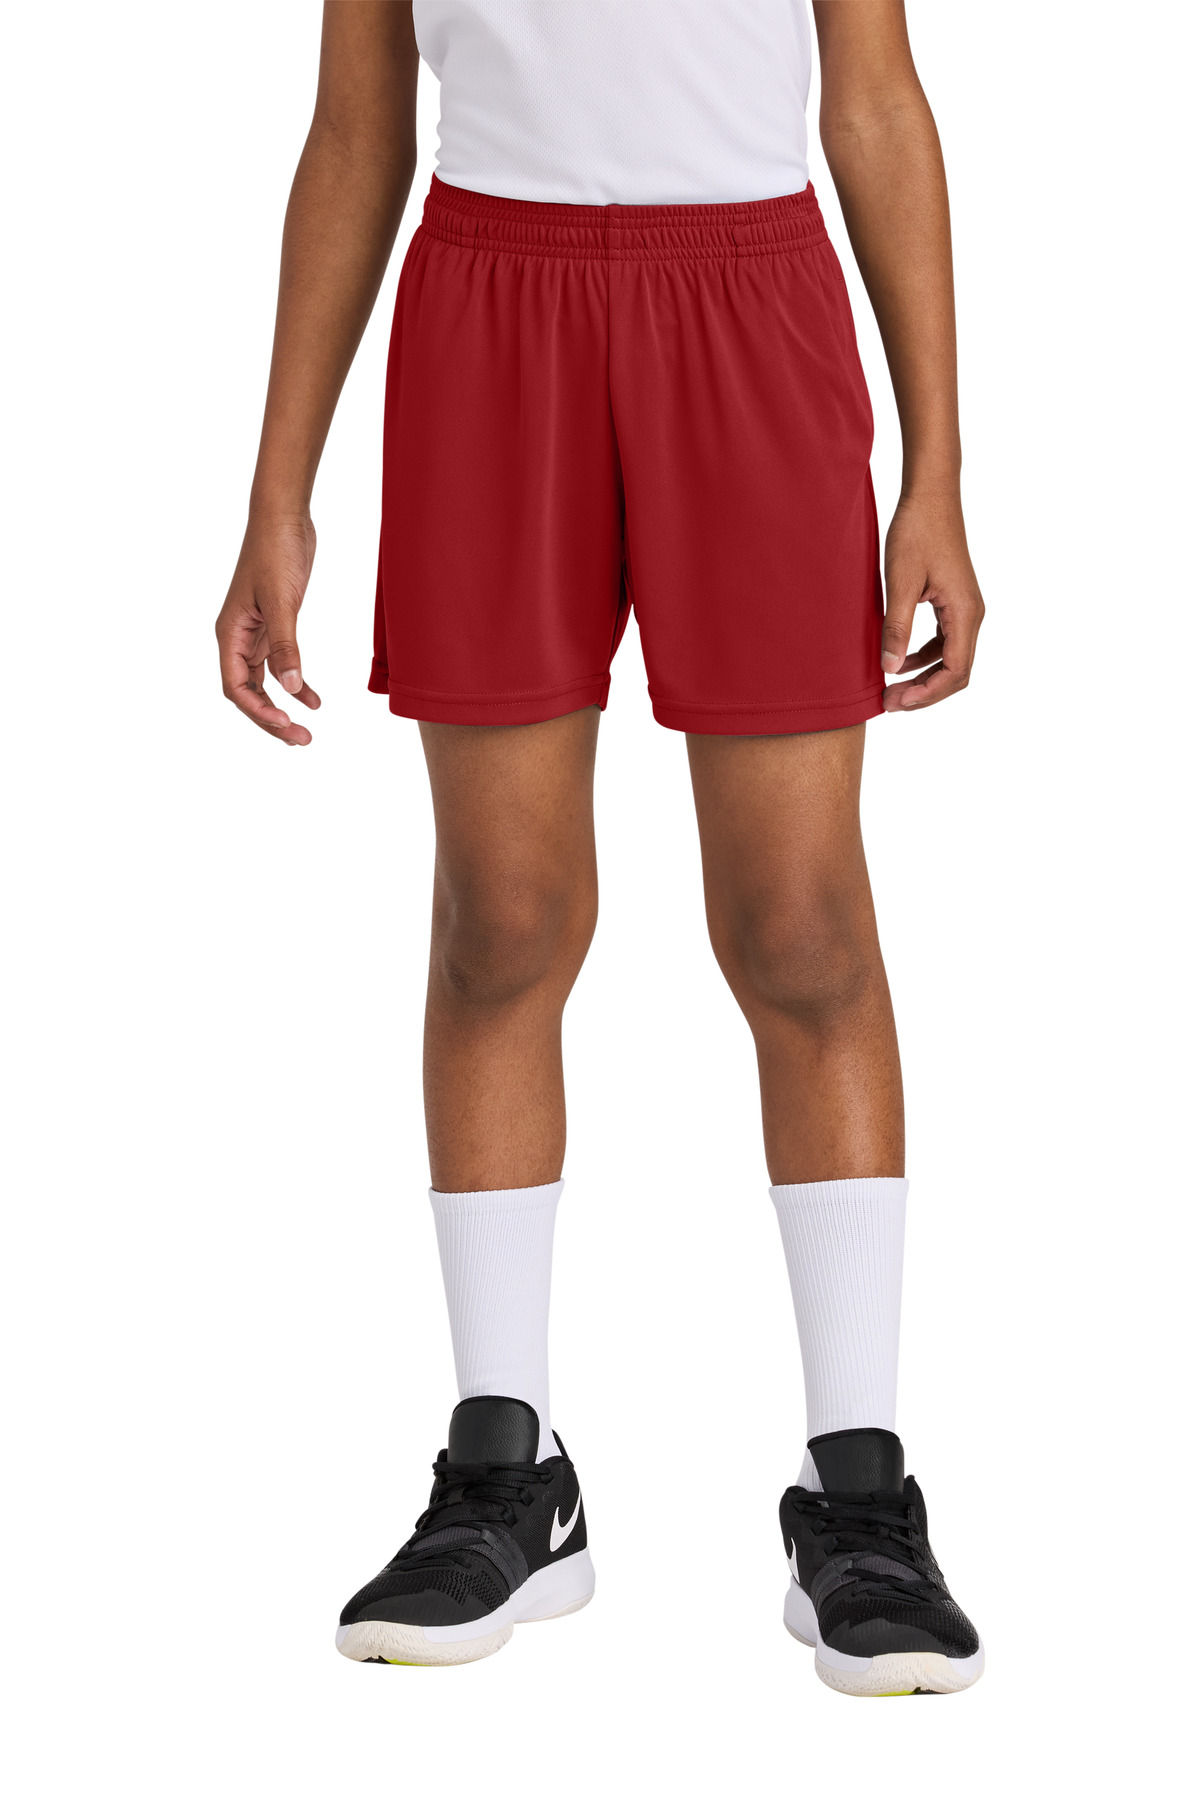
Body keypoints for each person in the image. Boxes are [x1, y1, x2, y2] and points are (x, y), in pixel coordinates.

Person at [216, 1, 985, 1696]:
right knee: (500, 922)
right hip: (492, 310)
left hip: (750, 300)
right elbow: (356, 127)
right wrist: (280, 487)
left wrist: (936, 467)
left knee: (801, 930)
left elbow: (873, 99)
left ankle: (859, 1492)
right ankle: (510, 1470)